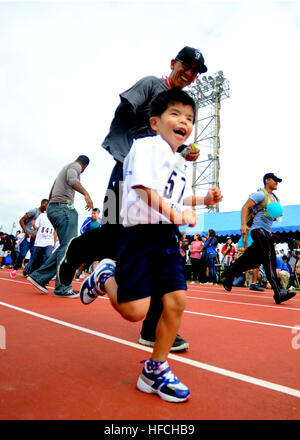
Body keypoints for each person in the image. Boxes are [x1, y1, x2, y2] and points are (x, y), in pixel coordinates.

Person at [58, 46, 208, 351]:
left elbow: (169, 140)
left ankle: (152, 329)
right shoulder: (152, 84)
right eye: (187, 66)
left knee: (159, 241)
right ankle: (80, 249)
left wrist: (180, 151)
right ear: (173, 64)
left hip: (158, 182)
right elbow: (124, 111)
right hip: (126, 172)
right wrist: (140, 140)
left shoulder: (181, 108)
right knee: (116, 231)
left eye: (195, 71)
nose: (190, 74)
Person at [79, 88, 222, 403]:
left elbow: (174, 195)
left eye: (189, 118)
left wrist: (202, 200)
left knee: (176, 301)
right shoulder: (146, 147)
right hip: (140, 235)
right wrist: (177, 214)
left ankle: (155, 370)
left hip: (165, 237)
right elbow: (145, 190)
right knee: (134, 311)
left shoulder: (176, 161)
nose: (183, 121)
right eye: (175, 114)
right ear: (155, 122)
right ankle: (104, 276)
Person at [221, 173, 296, 304]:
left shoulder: (274, 198)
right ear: (267, 181)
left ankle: (228, 275)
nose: (277, 182)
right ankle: (278, 292)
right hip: (258, 231)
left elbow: (275, 215)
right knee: (270, 259)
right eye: (275, 180)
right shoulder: (260, 194)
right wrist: (243, 225)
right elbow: (245, 207)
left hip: (267, 232)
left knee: (251, 260)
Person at [28, 155, 93, 298]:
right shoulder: (75, 166)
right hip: (63, 208)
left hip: (55, 208)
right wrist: (86, 194)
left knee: (65, 246)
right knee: (69, 246)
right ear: (84, 166)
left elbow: (51, 194)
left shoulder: (63, 170)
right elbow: (72, 180)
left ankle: (39, 277)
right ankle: (62, 288)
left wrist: (54, 208)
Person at [10, 199, 49, 278]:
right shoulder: (34, 211)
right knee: (23, 254)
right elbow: (21, 220)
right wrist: (26, 231)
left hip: (35, 238)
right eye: (47, 206)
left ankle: (27, 272)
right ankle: (15, 269)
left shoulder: (44, 215)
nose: (48, 208)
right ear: (43, 205)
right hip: (26, 236)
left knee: (35, 255)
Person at [23, 211, 57, 277]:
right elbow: (36, 227)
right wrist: (33, 224)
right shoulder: (42, 216)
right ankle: (29, 273)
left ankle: (43, 275)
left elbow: (55, 231)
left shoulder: (55, 217)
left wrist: (54, 242)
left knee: (48, 256)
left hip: (49, 241)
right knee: (35, 258)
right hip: (39, 242)